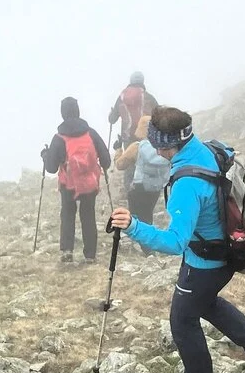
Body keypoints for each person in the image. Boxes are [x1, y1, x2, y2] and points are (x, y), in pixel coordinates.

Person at [108, 106, 245, 373]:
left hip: (205, 261)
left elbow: (176, 242)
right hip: (228, 250)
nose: (154, 148)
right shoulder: (203, 149)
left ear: (165, 145)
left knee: (182, 318)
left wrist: (133, 226)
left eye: (156, 143)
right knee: (206, 303)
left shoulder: (187, 185)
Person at [41, 97, 112, 264]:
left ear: (63, 113)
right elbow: (106, 160)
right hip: (90, 183)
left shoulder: (59, 137)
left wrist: (45, 155)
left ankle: (67, 251)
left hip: (69, 184)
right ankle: (90, 255)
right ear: (78, 111)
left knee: (67, 214)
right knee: (88, 215)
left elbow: (51, 168)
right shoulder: (91, 133)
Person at [113, 115, 170, 254]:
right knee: (147, 216)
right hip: (156, 188)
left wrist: (118, 150)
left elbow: (120, 165)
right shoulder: (164, 148)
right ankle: (149, 246)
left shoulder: (137, 147)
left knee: (135, 217)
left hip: (138, 187)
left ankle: (143, 247)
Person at [108, 71, 158, 190]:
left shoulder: (121, 97)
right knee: (146, 162)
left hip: (128, 137)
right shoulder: (148, 97)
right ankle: (147, 188)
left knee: (129, 163)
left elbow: (112, 119)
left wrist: (110, 115)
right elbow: (159, 115)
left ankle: (129, 190)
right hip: (146, 136)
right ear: (142, 81)